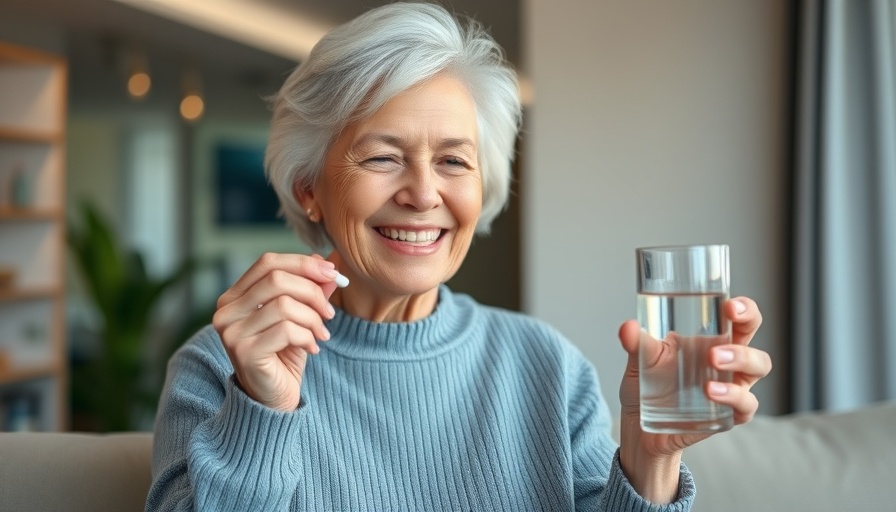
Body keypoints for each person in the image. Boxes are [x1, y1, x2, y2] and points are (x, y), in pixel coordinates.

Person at [147, 3, 772, 511]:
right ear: (309, 188)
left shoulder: (548, 367)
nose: (423, 194)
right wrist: (263, 411)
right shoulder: (216, 367)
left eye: (453, 161)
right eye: (383, 156)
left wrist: (651, 460)